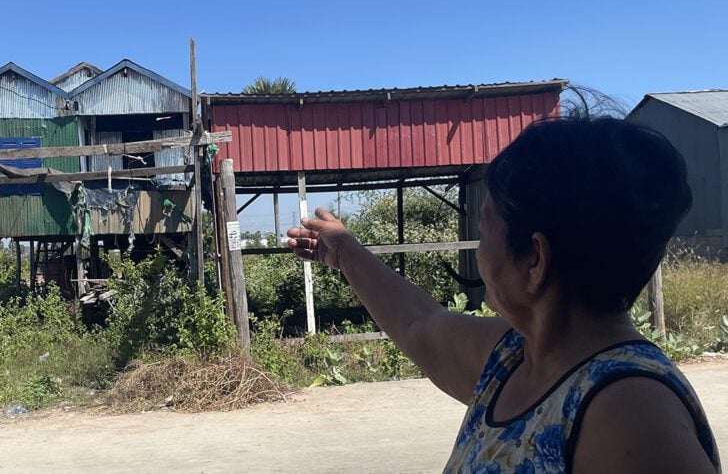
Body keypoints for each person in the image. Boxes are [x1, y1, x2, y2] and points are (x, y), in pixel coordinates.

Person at [287, 116, 721, 474]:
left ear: (535, 259)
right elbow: (420, 325)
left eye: (483, 229)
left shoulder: (631, 417)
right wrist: (344, 252)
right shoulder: (515, 356)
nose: (479, 249)